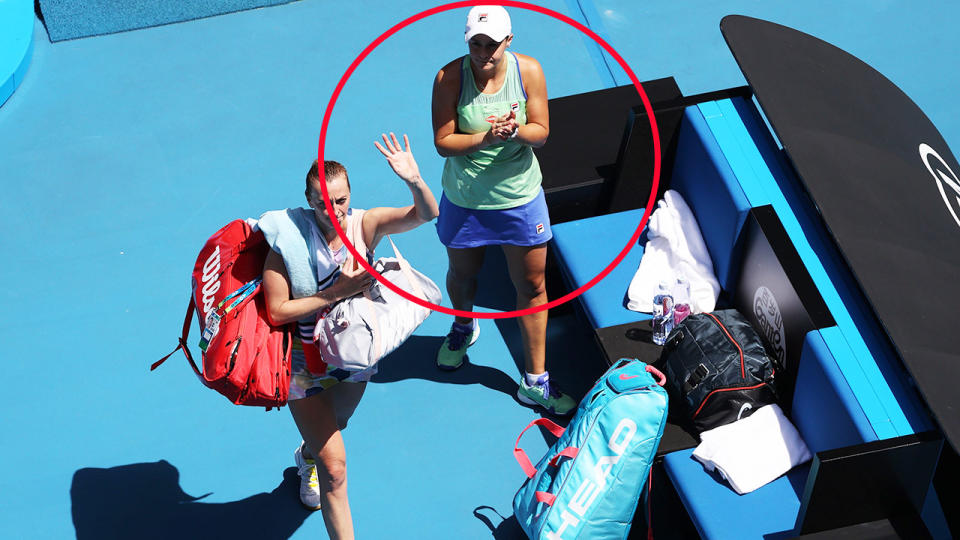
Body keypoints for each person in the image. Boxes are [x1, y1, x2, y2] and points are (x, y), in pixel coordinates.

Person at [259, 133, 439, 539]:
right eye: (323, 203)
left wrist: (414, 178)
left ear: (350, 194)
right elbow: (277, 310)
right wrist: (334, 293)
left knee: (338, 422)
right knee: (336, 472)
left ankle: (307, 455)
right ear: (309, 201)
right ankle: (318, 465)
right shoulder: (286, 246)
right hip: (302, 368)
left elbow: (426, 213)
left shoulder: (365, 223)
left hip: (353, 356)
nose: (333, 210)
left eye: (340, 200)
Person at [431, 5, 575, 416]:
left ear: (508, 41)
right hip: (465, 199)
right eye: (476, 44)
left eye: (492, 45)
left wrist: (517, 131)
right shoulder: (449, 78)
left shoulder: (528, 71)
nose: (483, 53)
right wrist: (484, 138)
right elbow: (443, 141)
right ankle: (462, 328)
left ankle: (535, 381)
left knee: (531, 287)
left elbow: (542, 132)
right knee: (463, 276)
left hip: (520, 197)